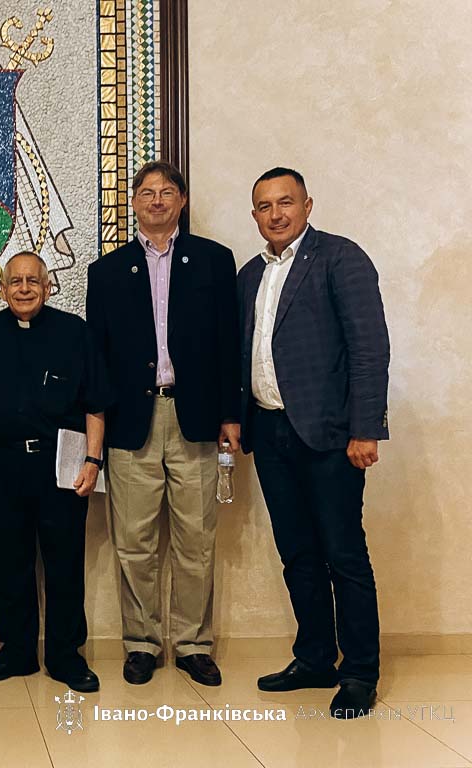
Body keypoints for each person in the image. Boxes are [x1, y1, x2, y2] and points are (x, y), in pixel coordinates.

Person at [238, 168, 389, 719]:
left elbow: (370, 348)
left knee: (343, 554)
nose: (275, 214)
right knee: (297, 553)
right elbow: (244, 353)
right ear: (254, 215)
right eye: (264, 206)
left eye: (286, 202)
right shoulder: (250, 274)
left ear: (307, 205)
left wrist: (365, 428)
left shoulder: (340, 258)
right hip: (270, 430)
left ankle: (359, 672)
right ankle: (315, 658)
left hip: (329, 435)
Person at [87, 161, 240, 688]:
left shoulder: (215, 261)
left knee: (196, 539)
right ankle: (142, 644)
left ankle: (194, 644)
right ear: (134, 202)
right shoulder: (107, 271)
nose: (157, 200)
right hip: (132, 421)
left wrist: (230, 414)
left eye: (167, 191)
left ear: (182, 200)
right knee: (134, 540)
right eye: (147, 192)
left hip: (195, 417)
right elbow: (98, 357)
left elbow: (229, 345)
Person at [0, 252, 110, 693]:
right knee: (8, 560)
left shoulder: (75, 333)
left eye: (32, 281)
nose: (23, 289)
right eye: (15, 281)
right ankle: (16, 652)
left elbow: (95, 404)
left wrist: (93, 461)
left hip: (61, 464)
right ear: (2, 289)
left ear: (47, 287)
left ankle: (65, 655)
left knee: (64, 561)